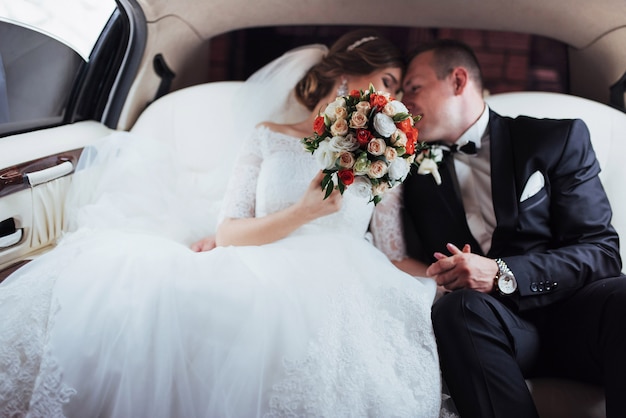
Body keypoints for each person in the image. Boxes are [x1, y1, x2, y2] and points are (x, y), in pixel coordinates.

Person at [0, 30, 448, 417]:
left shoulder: (384, 159)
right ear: (349, 74)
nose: (394, 99)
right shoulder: (268, 136)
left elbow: (393, 255)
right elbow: (229, 231)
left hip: (345, 282)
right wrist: (303, 211)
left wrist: (446, 275)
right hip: (257, 265)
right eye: (388, 82)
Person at [397, 38, 626, 417]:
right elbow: (410, 258)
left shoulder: (555, 139)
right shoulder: (411, 175)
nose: (406, 102)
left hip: (577, 316)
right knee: (458, 309)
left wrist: (503, 272)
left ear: (457, 81)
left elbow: (601, 252)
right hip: (493, 329)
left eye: (414, 88)